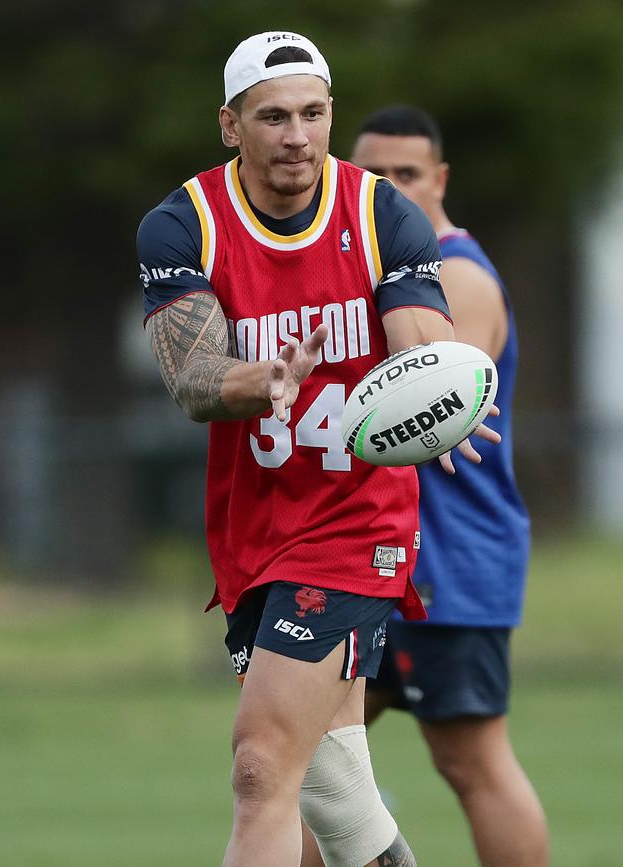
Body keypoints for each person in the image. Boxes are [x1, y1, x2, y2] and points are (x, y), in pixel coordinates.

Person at [137, 36, 498, 867]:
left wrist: (434, 393)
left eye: (313, 113)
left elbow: (419, 341)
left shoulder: (381, 213)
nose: (297, 134)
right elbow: (191, 379)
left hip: (355, 523)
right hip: (254, 531)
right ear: (231, 126)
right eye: (273, 116)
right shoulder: (182, 223)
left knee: (261, 766)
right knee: (336, 792)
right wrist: (258, 376)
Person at [326, 104, 546, 867]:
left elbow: (435, 411)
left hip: (446, 564)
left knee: (471, 760)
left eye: (406, 174)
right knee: (311, 766)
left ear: (440, 179)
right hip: (376, 558)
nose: (387, 189)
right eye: (371, 175)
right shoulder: (388, 268)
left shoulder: (456, 274)